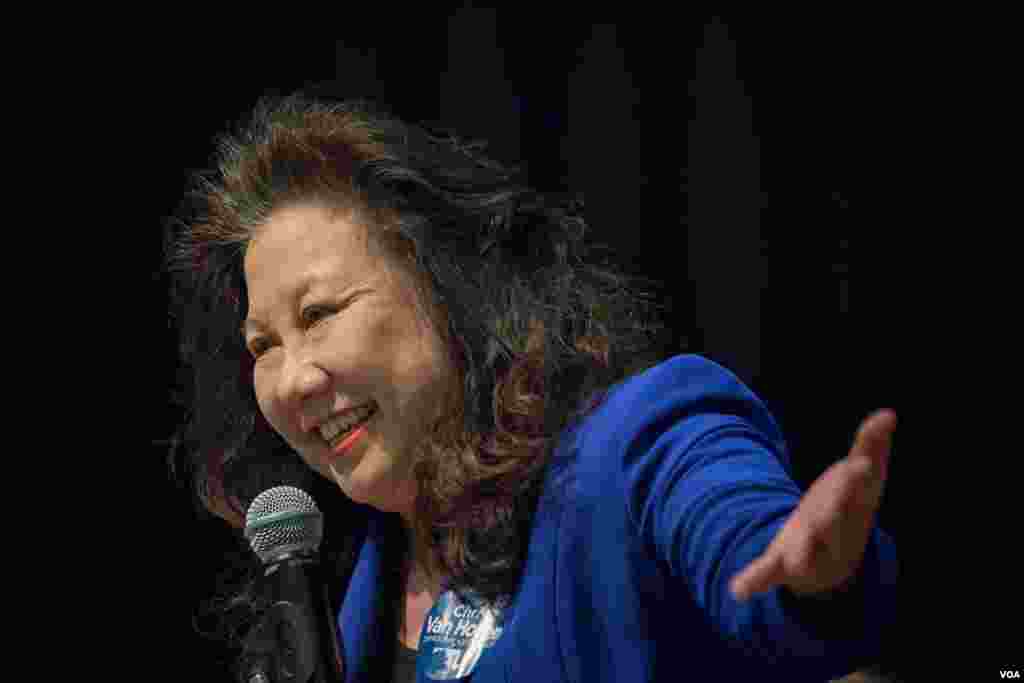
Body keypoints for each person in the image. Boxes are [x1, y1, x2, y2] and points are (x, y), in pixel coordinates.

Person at [161, 91, 899, 682]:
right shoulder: (342, 585)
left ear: (446, 287)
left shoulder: (635, 438)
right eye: (262, 346)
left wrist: (809, 575)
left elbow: (744, 539)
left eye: (319, 313)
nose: (292, 379)